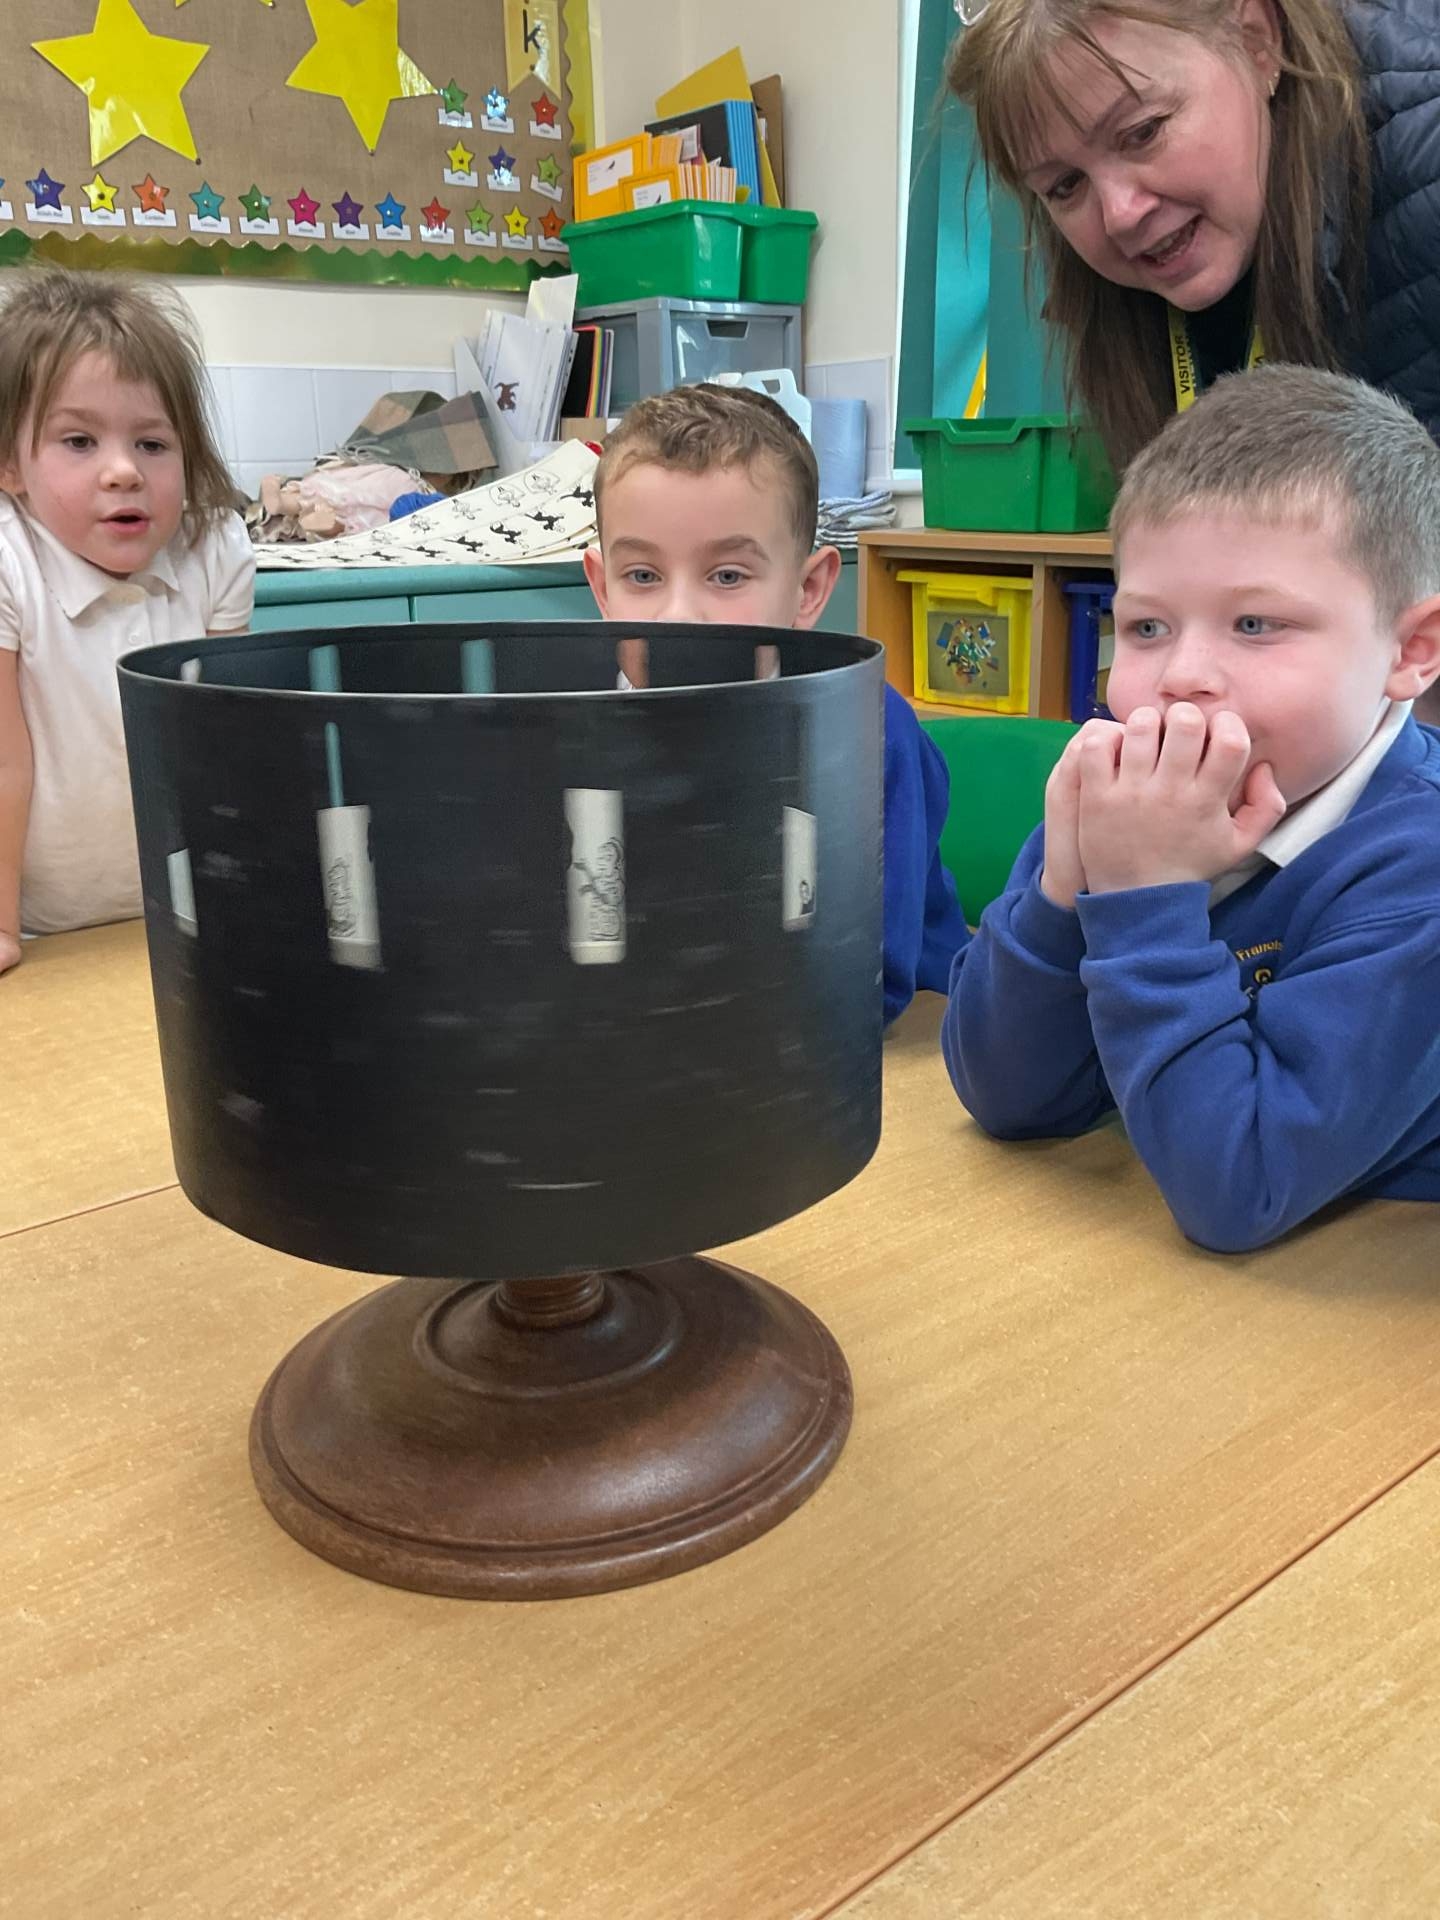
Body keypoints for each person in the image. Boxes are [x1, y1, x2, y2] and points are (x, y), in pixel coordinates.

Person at [943, 365, 1440, 1253]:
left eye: (1254, 625)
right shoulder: (1138, 801)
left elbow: (1240, 1190)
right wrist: (1063, 895)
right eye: (1146, 628)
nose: (1180, 676)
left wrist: (1145, 899)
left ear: (1411, 651)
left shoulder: (1418, 864)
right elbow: (1010, 1100)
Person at [582, 382, 970, 1025]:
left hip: (897, 1038)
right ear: (602, 588)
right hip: (681, 1033)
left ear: (807, 590)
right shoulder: (583, 729)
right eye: (642, 576)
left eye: (727, 575)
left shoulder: (868, 731)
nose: (680, 616)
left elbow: (871, 980)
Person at [947, 0, 1437, 466]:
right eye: (1066, 185)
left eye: (1143, 132)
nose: (1119, 214)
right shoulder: (1122, 313)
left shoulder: (1424, 181)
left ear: (1256, 42)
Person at [0, 267, 253, 973]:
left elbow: (226, 744)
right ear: (9, 464)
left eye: (152, 444)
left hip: (184, 913)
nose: (123, 471)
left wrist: (238, 899)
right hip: (43, 930)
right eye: (79, 441)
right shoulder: (9, 561)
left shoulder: (213, 546)